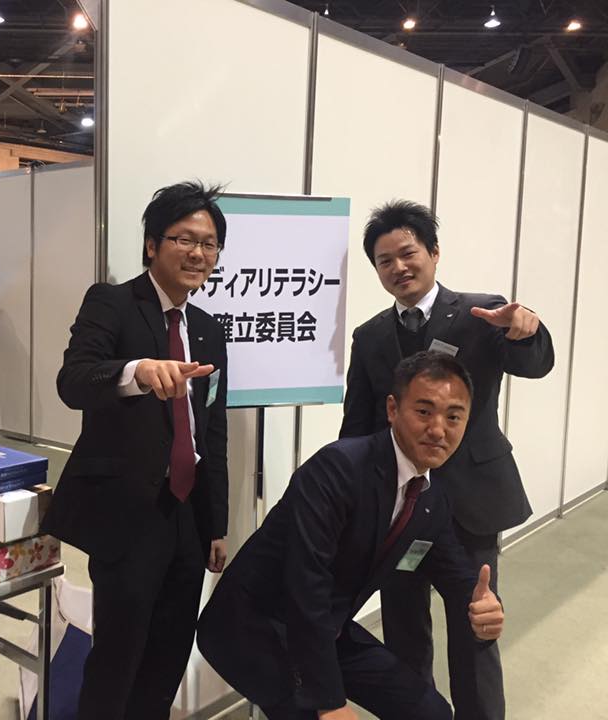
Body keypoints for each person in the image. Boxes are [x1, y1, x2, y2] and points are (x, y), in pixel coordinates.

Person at [198, 352, 506, 720]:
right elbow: (306, 584)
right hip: (250, 627)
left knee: (431, 713)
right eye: (424, 411)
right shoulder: (339, 470)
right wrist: (328, 700)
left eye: (453, 417)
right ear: (392, 409)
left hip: (326, 628)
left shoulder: (430, 496)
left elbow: (453, 568)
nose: (439, 430)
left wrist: (483, 603)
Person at [340, 200, 554, 719]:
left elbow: (534, 363)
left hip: (471, 503)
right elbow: (359, 424)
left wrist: (527, 329)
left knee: (474, 629)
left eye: (408, 253)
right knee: (404, 631)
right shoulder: (369, 336)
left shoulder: (482, 314)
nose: (398, 267)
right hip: (401, 507)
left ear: (434, 252)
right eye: (385, 261)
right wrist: (354, 502)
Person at [41, 181, 230, 720]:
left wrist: (216, 523)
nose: (197, 254)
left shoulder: (208, 329)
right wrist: (137, 372)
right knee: (118, 657)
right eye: (184, 239)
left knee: (169, 652)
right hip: (128, 514)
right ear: (152, 244)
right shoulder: (114, 303)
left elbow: (211, 429)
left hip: (187, 514)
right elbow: (73, 380)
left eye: (209, 244)